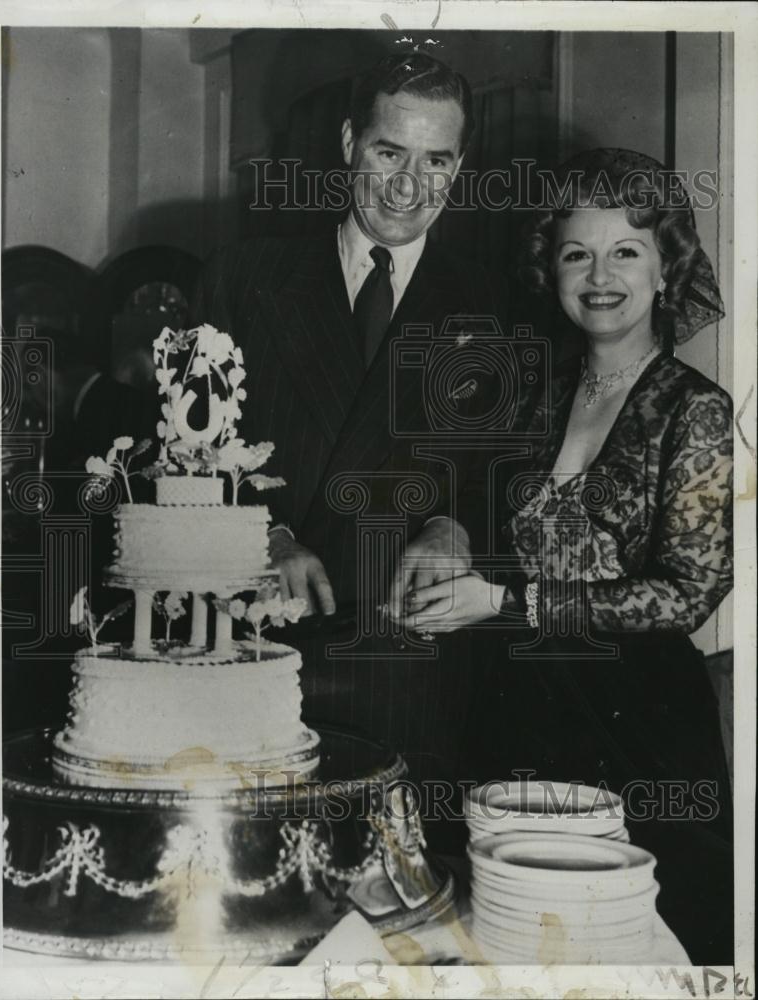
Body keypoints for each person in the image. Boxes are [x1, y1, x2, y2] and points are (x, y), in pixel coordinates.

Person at [396, 148, 734, 963]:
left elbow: (686, 597)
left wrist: (509, 604)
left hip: (640, 731)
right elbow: (475, 501)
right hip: (515, 708)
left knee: (635, 950)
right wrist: (448, 535)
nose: (599, 275)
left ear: (666, 270)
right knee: (510, 942)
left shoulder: (699, 412)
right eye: (577, 253)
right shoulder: (540, 391)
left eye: (627, 251)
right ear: (552, 271)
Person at [193, 51, 508, 841]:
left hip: (409, 678)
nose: (409, 185)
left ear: (460, 165)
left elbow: (514, 474)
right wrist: (261, 533)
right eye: (388, 152)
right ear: (346, 143)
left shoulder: (496, 304)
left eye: (436, 160)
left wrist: (455, 526)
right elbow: (178, 453)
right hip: (249, 653)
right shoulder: (243, 278)